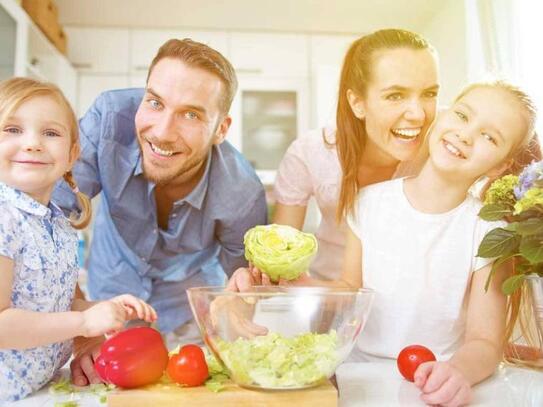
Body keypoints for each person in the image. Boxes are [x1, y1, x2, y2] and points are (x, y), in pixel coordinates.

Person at [52, 38, 267, 385]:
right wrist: (82, 324)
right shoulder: (107, 121)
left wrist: (233, 309)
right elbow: (49, 218)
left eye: (191, 114)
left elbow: (241, 280)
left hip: (192, 305)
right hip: (110, 289)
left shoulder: (242, 194)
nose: (163, 132)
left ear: (221, 130)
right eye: (155, 102)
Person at [0, 78, 157, 402]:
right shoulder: (4, 217)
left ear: (73, 155)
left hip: (36, 389)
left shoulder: (57, 222)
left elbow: (45, 305)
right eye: (13, 129)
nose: (32, 143)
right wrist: (83, 321)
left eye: (51, 133)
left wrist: (101, 308)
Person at [272, 28, 440, 280]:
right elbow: (278, 255)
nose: (418, 114)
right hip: (330, 292)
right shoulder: (310, 154)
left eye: (429, 94)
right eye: (395, 96)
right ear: (357, 103)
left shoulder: (449, 142)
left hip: (407, 298)